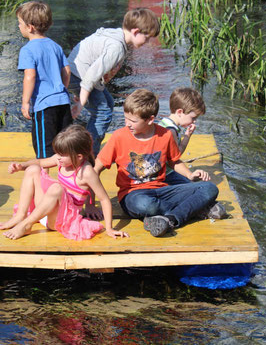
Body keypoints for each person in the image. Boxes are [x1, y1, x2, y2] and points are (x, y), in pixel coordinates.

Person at [95, 89, 227, 238]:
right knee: (146, 205)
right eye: (126, 119)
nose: (127, 124)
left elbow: (175, 161)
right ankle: (194, 209)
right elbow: (95, 169)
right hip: (133, 194)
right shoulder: (119, 136)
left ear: (150, 119)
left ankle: (169, 219)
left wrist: (190, 174)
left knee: (209, 188)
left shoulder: (165, 135)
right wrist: (90, 203)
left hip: (163, 190)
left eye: (133, 121)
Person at [0, 124, 128, 240]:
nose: (58, 157)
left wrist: (110, 228)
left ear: (79, 156)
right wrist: (21, 166)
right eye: (57, 153)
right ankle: (21, 215)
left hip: (60, 220)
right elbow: (40, 162)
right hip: (43, 211)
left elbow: (104, 199)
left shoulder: (87, 172)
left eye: (61, 155)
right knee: (33, 169)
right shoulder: (62, 159)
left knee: (57, 188)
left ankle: (26, 224)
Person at [68, 7, 160, 155]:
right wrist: (81, 102)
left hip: (77, 72)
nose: (148, 42)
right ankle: (87, 156)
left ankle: (87, 147)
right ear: (136, 31)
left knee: (109, 104)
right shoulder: (116, 47)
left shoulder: (118, 36)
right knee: (102, 113)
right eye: (147, 37)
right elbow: (91, 75)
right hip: (80, 75)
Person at [16, 0, 73, 159]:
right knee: (66, 145)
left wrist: (25, 102)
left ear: (30, 27)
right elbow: (66, 72)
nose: (18, 26)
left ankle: (43, 179)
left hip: (44, 105)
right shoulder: (55, 46)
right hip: (63, 101)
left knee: (44, 149)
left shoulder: (27, 50)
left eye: (19, 23)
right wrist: (62, 89)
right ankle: (68, 177)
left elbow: (30, 76)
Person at [158, 87, 206, 186]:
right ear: (180, 112)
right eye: (193, 118)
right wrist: (187, 136)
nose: (194, 121)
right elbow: (176, 156)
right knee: (193, 186)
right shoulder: (171, 131)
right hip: (165, 175)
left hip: (160, 171)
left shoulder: (163, 123)